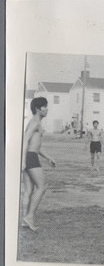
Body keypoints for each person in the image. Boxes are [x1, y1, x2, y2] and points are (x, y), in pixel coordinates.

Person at [21, 97, 56, 231]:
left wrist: (48, 158)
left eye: (47, 106)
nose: (47, 109)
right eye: (44, 106)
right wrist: (23, 161)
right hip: (30, 157)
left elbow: (36, 146)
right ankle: (29, 216)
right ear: (37, 109)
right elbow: (25, 141)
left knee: (29, 190)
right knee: (42, 186)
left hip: (30, 155)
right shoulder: (35, 122)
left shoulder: (35, 123)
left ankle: (25, 220)